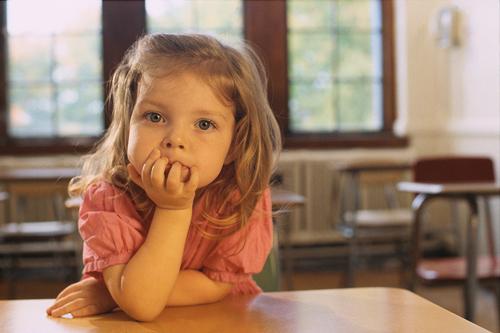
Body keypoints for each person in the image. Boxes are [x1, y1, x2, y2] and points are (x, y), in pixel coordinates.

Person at [46, 33, 281, 322]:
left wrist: (112, 293)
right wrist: (174, 209)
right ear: (127, 122)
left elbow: (214, 286)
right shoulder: (108, 198)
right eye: (155, 117)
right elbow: (143, 304)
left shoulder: (241, 196)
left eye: (204, 124)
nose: (176, 139)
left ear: (234, 146)